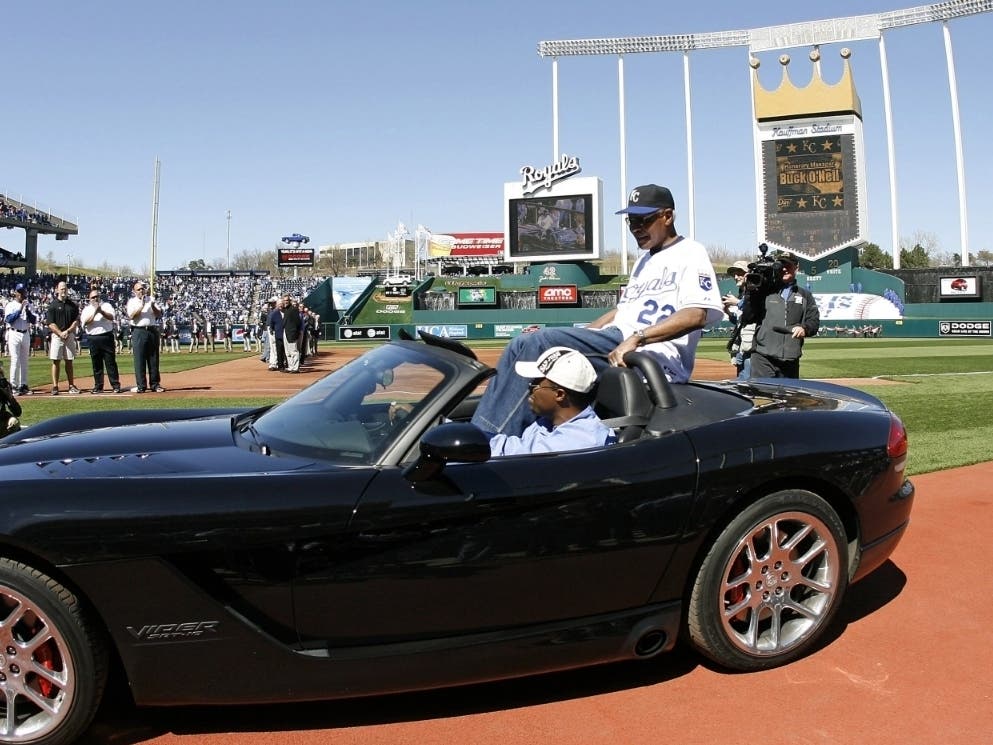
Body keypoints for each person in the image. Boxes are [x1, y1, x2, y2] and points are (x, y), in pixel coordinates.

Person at [471, 184, 724, 437]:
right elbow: (622, 311)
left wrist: (638, 338)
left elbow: (696, 314)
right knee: (518, 345)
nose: (636, 228)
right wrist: (584, 333)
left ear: (667, 216)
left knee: (539, 343)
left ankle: (487, 442)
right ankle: (479, 432)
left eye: (643, 220)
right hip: (617, 340)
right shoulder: (644, 262)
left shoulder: (691, 252)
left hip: (649, 355)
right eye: (630, 221)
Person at [489, 347, 614, 456]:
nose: (529, 388)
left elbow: (516, 458)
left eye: (535, 384)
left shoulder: (576, 442)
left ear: (559, 395)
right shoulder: (549, 421)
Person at [749, 253, 820, 378]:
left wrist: (805, 329)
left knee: (787, 397)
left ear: (796, 268)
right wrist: (750, 291)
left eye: (788, 265)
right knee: (762, 395)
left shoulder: (805, 295)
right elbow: (748, 316)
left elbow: (814, 321)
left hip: (790, 360)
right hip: (763, 357)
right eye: (781, 265)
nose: (784, 269)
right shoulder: (765, 291)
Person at [79, 286, 122, 394]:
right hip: (93, 337)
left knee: (110, 362)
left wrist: (101, 311)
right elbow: (85, 322)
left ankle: (115, 385)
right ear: (89, 299)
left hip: (106, 336)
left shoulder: (106, 305)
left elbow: (111, 317)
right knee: (96, 364)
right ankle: (98, 386)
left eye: (97, 296)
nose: (95, 299)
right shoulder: (86, 309)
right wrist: (95, 312)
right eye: (93, 297)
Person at [126, 281, 164, 393]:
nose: (141, 291)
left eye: (142, 288)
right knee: (139, 359)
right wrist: (141, 305)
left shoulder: (150, 299)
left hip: (151, 330)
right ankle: (141, 385)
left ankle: (155, 384)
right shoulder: (132, 302)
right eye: (138, 289)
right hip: (139, 330)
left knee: (153, 359)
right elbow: (131, 316)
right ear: (134, 291)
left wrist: (152, 305)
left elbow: (158, 315)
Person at [46, 280, 81, 395]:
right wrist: (60, 333)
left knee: (69, 361)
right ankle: (55, 386)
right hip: (57, 336)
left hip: (69, 335)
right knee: (56, 361)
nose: (63, 291)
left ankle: (71, 385)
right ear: (57, 290)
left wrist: (68, 331)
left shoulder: (72, 305)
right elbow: (51, 323)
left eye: (65, 288)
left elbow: (76, 321)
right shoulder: (53, 305)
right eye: (61, 289)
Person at [723, 260, 756, 379]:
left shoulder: (755, 292)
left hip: (751, 349)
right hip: (741, 346)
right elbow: (741, 321)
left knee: (747, 384)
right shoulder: (742, 293)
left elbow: (755, 313)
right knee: (742, 382)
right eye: (734, 274)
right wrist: (726, 311)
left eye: (740, 273)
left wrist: (737, 302)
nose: (736, 277)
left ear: (749, 274)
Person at [4, 283, 35, 395]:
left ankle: (23, 385)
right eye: (19, 292)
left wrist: (27, 310)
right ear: (15, 293)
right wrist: (20, 308)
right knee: (15, 360)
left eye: (23, 292)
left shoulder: (29, 305)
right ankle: (13, 385)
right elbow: (9, 319)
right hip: (14, 333)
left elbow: (34, 320)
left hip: (25, 333)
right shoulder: (10, 305)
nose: (21, 294)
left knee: (24, 361)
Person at [281, 294, 302, 373]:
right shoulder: (285, 310)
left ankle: (295, 368)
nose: (285, 302)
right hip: (286, 332)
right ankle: (290, 367)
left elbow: (298, 322)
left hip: (292, 332)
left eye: (287, 300)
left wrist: (295, 332)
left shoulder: (293, 309)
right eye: (284, 300)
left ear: (290, 301)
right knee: (287, 352)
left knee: (293, 350)